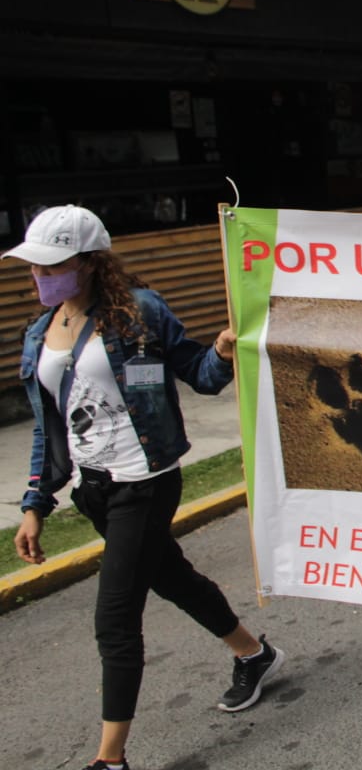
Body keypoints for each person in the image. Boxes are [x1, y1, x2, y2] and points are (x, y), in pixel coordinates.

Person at [5, 205, 285, 770]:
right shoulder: (40, 334)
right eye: (34, 268)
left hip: (147, 480)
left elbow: (201, 376)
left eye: (52, 265)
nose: (41, 277)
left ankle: (110, 760)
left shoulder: (141, 312)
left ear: (89, 262)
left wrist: (225, 351)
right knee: (172, 577)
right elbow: (47, 427)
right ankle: (254, 654)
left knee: (115, 617)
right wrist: (35, 503)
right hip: (94, 490)